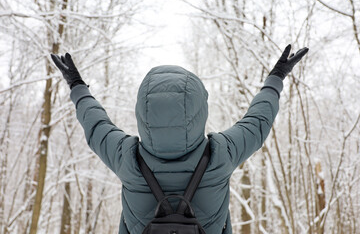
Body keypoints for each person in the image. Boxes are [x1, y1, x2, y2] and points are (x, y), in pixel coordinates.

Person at [51, 44, 308, 234]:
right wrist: (276, 77)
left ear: (142, 112)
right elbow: (257, 122)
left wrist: (76, 84)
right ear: (200, 110)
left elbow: (95, 124)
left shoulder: (126, 157)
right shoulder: (221, 154)